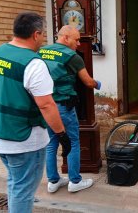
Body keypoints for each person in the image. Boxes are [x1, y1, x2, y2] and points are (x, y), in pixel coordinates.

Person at [0, 12, 71, 213]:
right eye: (43, 34)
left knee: (16, 181)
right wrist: (61, 134)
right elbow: (47, 104)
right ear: (36, 34)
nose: (44, 38)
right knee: (23, 188)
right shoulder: (33, 63)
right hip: (22, 137)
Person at [39, 25, 101, 193]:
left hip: (46, 106)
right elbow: (87, 82)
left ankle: (53, 181)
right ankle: (75, 181)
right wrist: (98, 84)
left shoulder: (42, 52)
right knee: (73, 142)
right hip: (64, 106)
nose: (79, 43)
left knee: (51, 143)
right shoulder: (72, 56)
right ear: (65, 38)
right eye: (76, 39)